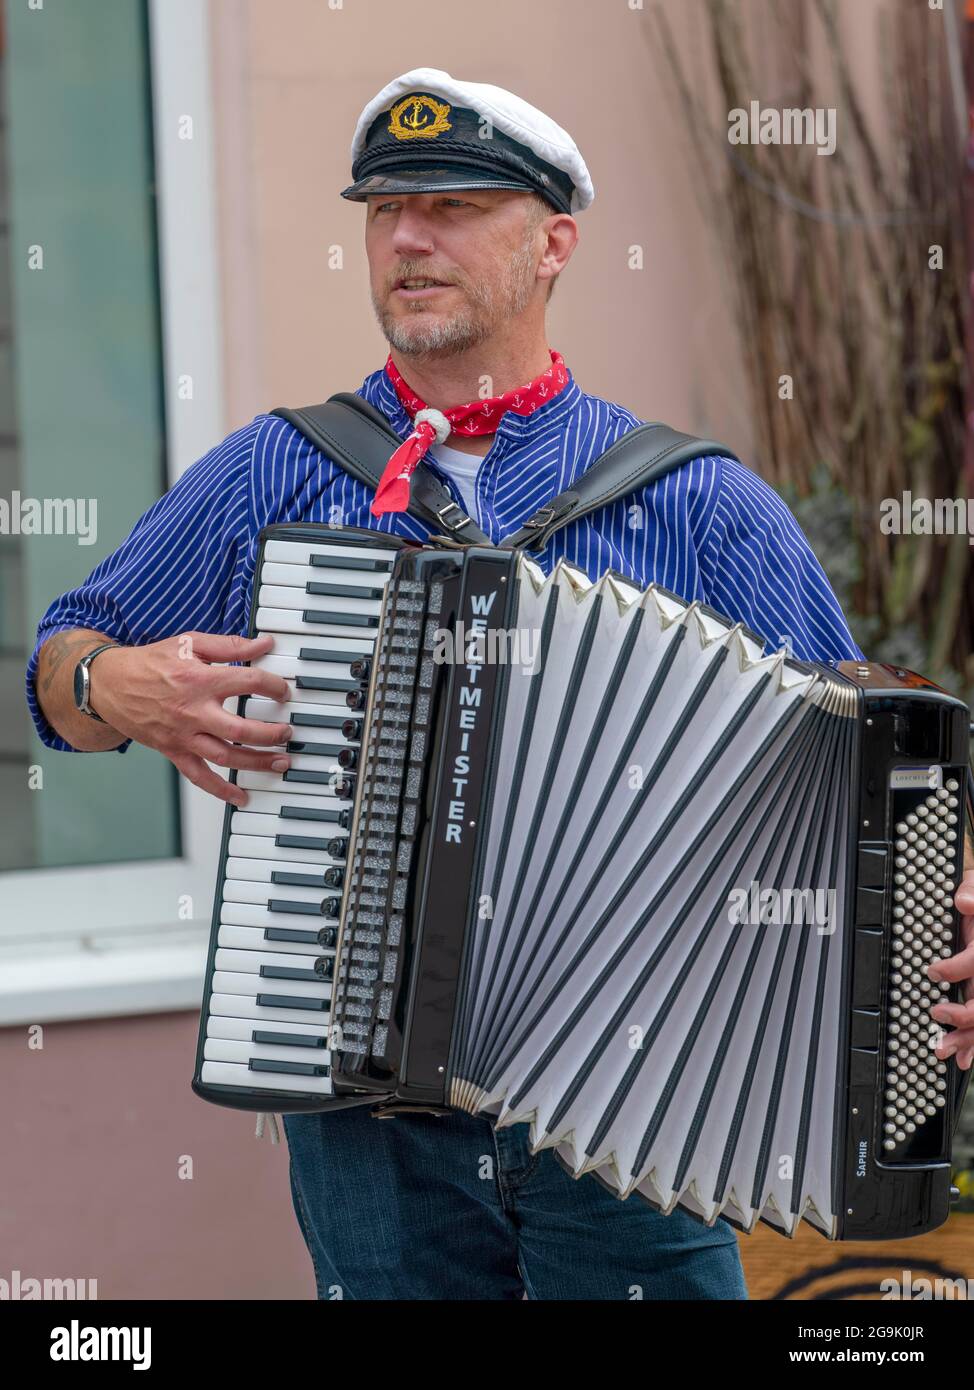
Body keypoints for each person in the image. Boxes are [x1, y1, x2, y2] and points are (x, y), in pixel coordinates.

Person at [27, 67, 974, 1301]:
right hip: (368, 1124)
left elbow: (866, 761)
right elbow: (57, 663)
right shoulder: (276, 472)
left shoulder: (690, 503)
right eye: (381, 209)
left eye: (455, 205)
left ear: (553, 243)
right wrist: (114, 686)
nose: (407, 238)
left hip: (641, 1114)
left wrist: (940, 908)